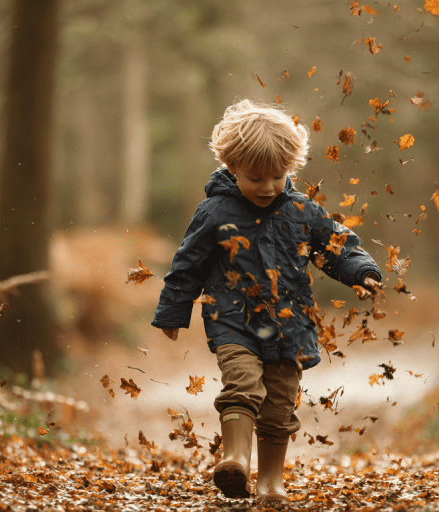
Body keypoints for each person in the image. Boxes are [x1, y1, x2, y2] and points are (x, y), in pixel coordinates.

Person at [152, 99, 382, 501]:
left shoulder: (301, 211)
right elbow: (187, 265)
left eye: (277, 176)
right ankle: (236, 460)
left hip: (289, 326)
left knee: (279, 406)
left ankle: (270, 482)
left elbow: (335, 244)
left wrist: (362, 271)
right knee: (242, 384)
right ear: (232, 167)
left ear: (290, 169)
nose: (268, 186)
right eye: (256, 178)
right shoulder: (215, 211)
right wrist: (173, 311)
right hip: (232, 320)